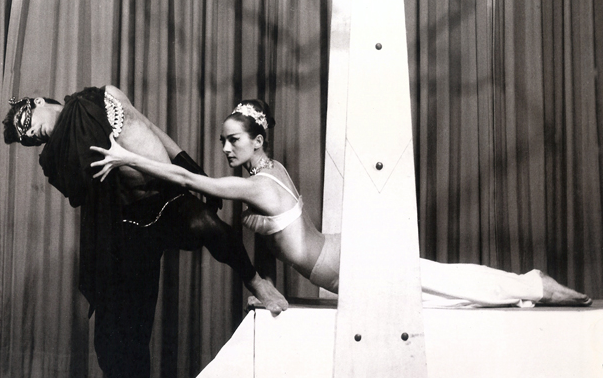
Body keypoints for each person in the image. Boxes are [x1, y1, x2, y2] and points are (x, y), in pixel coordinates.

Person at [90, 99, 593, 309]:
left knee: (441, 285)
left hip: (349, 263)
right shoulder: (269, 170)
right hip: (344, 259)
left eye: (234, 141)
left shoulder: (258, 185)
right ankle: (531, 288)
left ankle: (536, 285)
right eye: (223, 141)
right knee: (437, 297)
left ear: (257, 140)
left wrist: (126, 155)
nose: (226, 149)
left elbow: (182, 175)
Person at [2, 87, 287, 378]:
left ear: (37, 101)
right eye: (26, 139)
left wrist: (192, 170)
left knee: (207, 224)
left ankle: (255, 281)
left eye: (25, 122)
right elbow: (79, 192)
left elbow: (150, 127)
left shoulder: (100, 99)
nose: (29, 134)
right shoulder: (57, 155)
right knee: (128, 335)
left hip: (166, 196)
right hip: (127, 223)